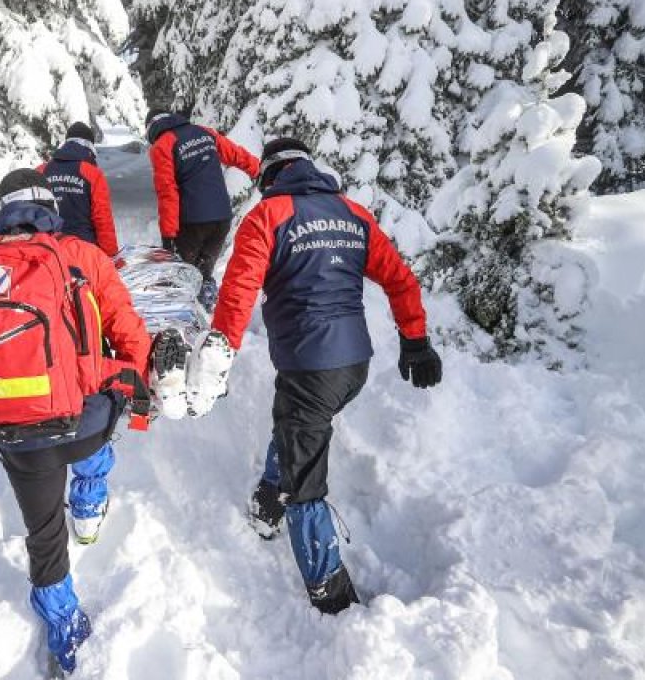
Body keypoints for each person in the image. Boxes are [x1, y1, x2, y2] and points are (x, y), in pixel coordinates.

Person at [190, 138, 443, 615]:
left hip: (309, 365)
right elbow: (399, 278)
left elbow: (238, 290)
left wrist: (218, 353)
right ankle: (268, 496)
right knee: (298, 428)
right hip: (353, 367)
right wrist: (415, 340)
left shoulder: (268, 216)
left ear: (268, 177)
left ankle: (330, 593)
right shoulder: (352, 213)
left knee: (304, 479)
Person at [0, 169, 152, 672]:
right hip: (84, 418)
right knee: (96, 433)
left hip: (17, 437)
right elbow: (132, 337)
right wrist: (132, 389)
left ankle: (63, 627)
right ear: (51, 208)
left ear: (2, 210)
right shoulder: (84, 257)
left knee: (44, 535)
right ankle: (90, 509)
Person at [145, 109, 260, 307]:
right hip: (222, 218)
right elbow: (236, 154)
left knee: (184, 275)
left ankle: (186, 318)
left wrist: (168, 236)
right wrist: (261, 171)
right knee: (204, 272)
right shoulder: (204, 132)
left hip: (192, 223)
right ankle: (207, 308)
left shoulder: (162, 145)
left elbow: (167, 193)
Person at [38, 121, 120, 256]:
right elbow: (103, 220)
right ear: (89, 146)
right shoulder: (93, 173)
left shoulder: (41, 171)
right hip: (84, 252)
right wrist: (111, 256)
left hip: (48, 252)